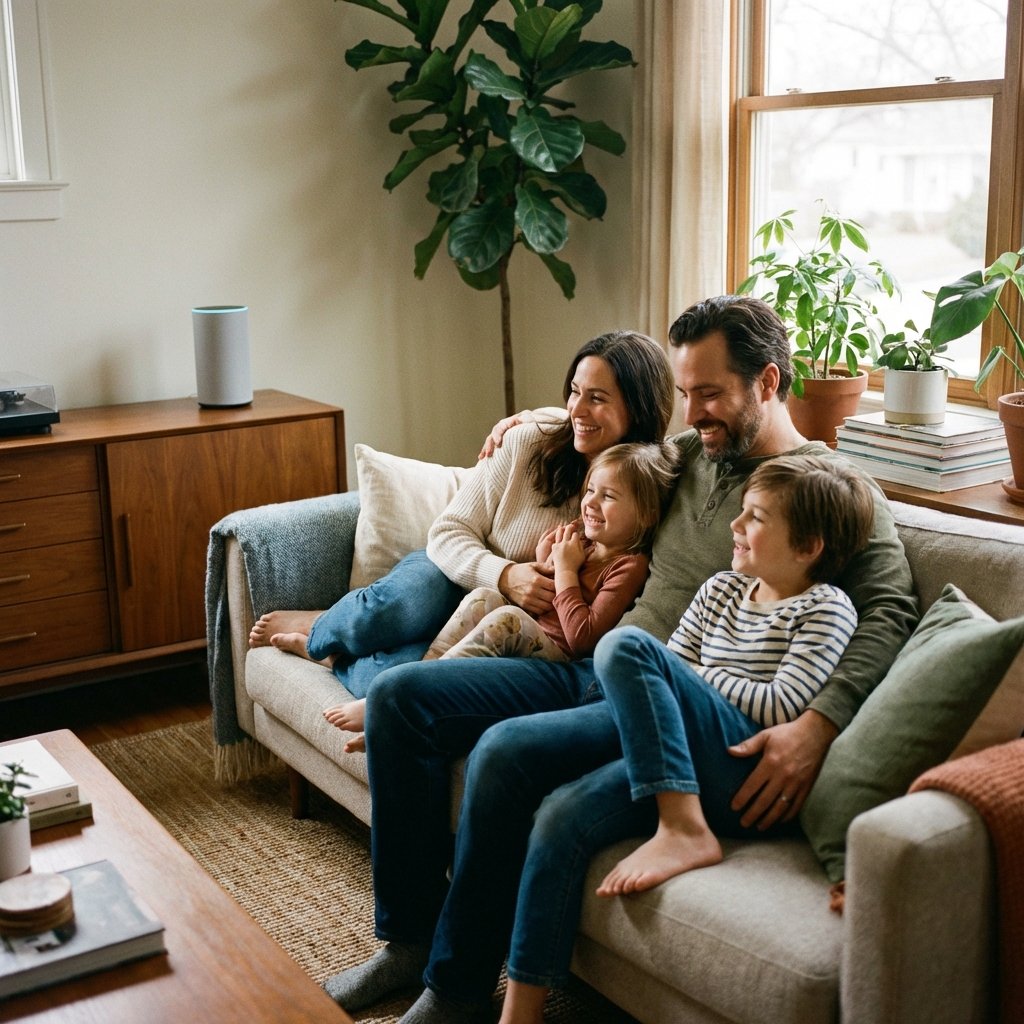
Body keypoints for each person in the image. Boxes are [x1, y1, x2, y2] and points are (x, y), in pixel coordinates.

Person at [324, 295, 919, 1024]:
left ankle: (456, 994)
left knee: (505, 753)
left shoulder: (830, 490)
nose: (692, 413)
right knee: (401, 699)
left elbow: (892, 611)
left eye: (710, 394)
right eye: (684, 394)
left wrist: (818, 725)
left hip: (664, 706)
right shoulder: (689, 456)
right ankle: (409, 945)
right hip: (585, 667)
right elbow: (604, 444)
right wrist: (534, 422)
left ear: (767, 383)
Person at [247, 330, 676, 709]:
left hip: (490, 625)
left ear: (637, 409)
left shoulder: (644, 490)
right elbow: (448, 532)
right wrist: (505, 575)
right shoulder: (529, 442)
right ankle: (324, 626)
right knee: (393, 609)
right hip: (450, 573)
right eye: (574, 392)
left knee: (393, 684)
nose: (577, 409)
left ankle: (329, 653)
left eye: (596, 398)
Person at [594, 453, 874, 900]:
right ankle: (529, 973)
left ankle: (683, 829)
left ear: (807, 548)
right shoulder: (720, 588)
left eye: (755, 517)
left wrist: (691, 672)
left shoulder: (825, 607)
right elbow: (668, 673)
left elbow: (782, 705)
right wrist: (678, 671)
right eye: (741, 509)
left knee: (624, 646)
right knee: (562, 811)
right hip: (683, 753)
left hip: (750, 777)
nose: (734, 524)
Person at [323, 442, 679, 743]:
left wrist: (567, 571)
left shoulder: (629, 566)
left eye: (609, 496)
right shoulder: (580, 537)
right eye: (590, 490)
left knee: (506, 619)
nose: (590, 503)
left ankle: (405, 698)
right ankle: (420, 680)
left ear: (645, 515)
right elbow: (548, 584)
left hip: (564, 657)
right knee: (484, 598)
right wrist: (547, 560)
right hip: (533, 636)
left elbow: (583, 636)